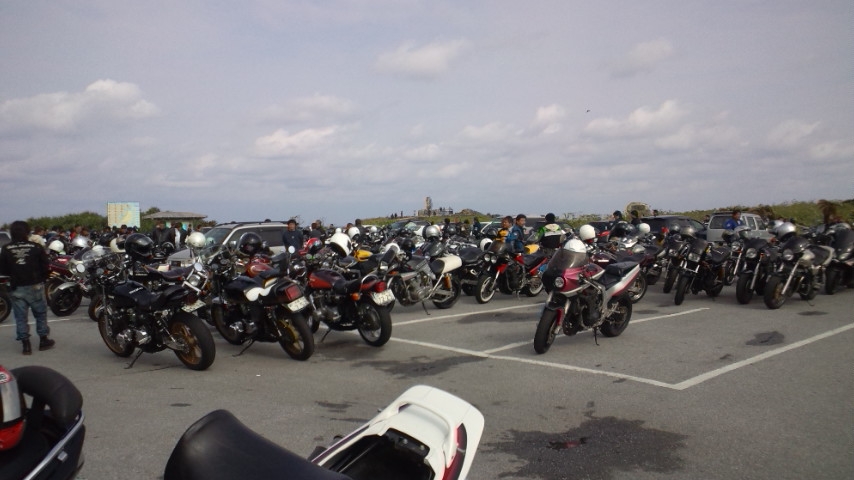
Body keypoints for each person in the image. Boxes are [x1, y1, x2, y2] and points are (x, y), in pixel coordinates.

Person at [0, 221, 55, 355]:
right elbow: (45, 266)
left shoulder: (6, 249)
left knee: (20, 317)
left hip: (16, 286)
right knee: (40, 314)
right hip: (35, 285)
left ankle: (26, 345)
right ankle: (43, 340)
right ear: (27, 232)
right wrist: (42, 278)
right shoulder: (36, 247)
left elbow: (3, 270)